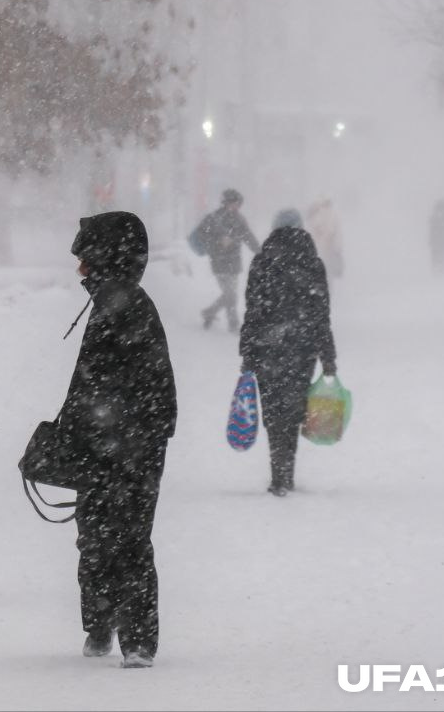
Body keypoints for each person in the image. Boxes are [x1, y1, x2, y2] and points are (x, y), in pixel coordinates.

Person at [55, 211, 177, 669]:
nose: (79, 269)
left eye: (85, 258)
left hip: (123, 444)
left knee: (112, 535)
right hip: (129, 441)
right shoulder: (118, 297)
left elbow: (97, 385)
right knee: (110, 532)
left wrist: (84, 433)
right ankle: (115, 631)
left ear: (105, 257)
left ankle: (127, 635)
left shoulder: (119, 302)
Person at [239, 208, 338, 497]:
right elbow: (321, 313)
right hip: (302, 347)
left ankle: (277, 472)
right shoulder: (312, 262)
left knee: (272, 410)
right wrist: (328, 356)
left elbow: (253, 310)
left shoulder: (262, 261)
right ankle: (287, 472)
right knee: (294, 410)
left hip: (267, 347)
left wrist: (247, 350)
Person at [195, 188, 261, 332]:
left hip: (234, 263)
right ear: (225, 203)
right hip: (219, 262)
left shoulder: (240, 220)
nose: (235, 206)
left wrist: (261, 252)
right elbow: (201, 235)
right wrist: (218, 242)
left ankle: (211, 312)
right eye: (233, 203)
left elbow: (249, 237)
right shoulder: (213, 218)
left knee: (230, 294)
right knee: (230, 294)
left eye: (238, 203)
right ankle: (233, 323)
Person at [305, 197, 344, 278]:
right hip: (329, 248)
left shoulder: (317, 215)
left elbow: (314, 231)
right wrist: (337, 248)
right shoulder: (331, 214)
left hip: (321, 249)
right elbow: (335, 233)